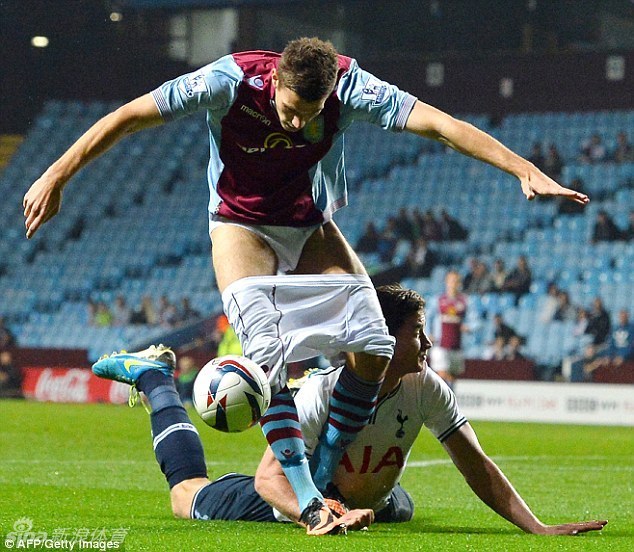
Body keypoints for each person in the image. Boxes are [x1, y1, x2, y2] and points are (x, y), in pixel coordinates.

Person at [23, 36, 589, 533]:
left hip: (310, 224)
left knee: (374, 341)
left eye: (311, 114)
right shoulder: (227, 80)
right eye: (291, 111)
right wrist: (56, 174)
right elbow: (128, 116)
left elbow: (440, 124)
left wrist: (522, 169)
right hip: (239, 224)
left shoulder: (349, 88)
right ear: (275, 86)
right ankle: (313, 503)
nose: (298, 124)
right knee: (267, 356)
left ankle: (321, 476)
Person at [92, 284, 606, 537]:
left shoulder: (425, 386)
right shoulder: (319, 393)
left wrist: (536, 528)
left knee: (395, 507)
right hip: (295, 495)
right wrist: (321, 515)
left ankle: (369, 499)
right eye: (415, 334)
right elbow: (271, 481)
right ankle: (156, 377)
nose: (426, 344)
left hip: (358, 495)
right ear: (381, 340)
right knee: (186, 497)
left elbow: (476, 464)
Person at [429, 270, 468, 389]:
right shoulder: (438, 300)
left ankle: (449, 403)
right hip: (440, 344)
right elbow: (428, 317)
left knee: (453, 376)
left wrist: (468, 326)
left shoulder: (464, 301)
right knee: (442, 374)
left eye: (456, 281)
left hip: (457, 345)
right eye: (451, 281)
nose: (454, 283)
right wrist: (429, 333)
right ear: (446, 282)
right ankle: (441, 402)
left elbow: (473, 319)